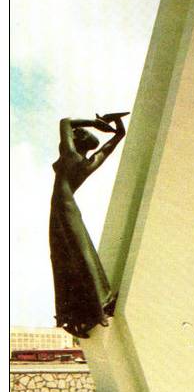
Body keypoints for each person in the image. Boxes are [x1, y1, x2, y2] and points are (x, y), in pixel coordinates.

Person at [50, 112, 128, 339]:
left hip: (61, 209)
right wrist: (118, 129)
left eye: (75, 135)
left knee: (71, 257)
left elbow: (64, 121)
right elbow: (108, 149)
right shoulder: (87, 162)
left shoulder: (69, 154)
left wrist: (95, 123)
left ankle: (96, 312)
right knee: (72, 255)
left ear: (77, 141)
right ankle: (86, 312)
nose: (71, 135)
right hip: (66, 209)